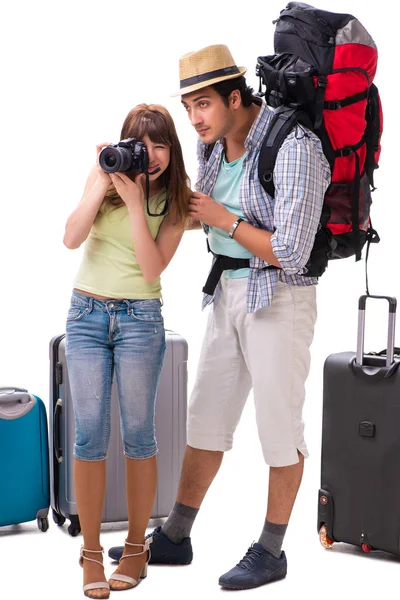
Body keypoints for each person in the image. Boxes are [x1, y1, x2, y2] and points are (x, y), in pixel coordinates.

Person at [109, 44, 331, 590]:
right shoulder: (215, 147)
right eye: (187, 108)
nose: (194, 119)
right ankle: (177, 537)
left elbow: (294, 251)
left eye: (203, 104)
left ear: (236, 96)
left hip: (280, 295)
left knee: (280, 431)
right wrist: (130, 194)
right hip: (227, 292)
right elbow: (197, 210)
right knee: (206, 419)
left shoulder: (293, 145)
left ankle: (272, 550)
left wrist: (225, 221)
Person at [63, 103, 190, 598]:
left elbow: (152, 267)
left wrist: (138, 205)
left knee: (139, 434)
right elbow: (71, 238)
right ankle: (91, 554)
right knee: (88, 435)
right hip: (86, 315)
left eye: (160, 144)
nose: (151, 155)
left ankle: (137, 547)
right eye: (142, 144)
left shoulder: (177, 201)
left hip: (141, 320)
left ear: (171, 150)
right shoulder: (105, 178)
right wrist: (101, 180)